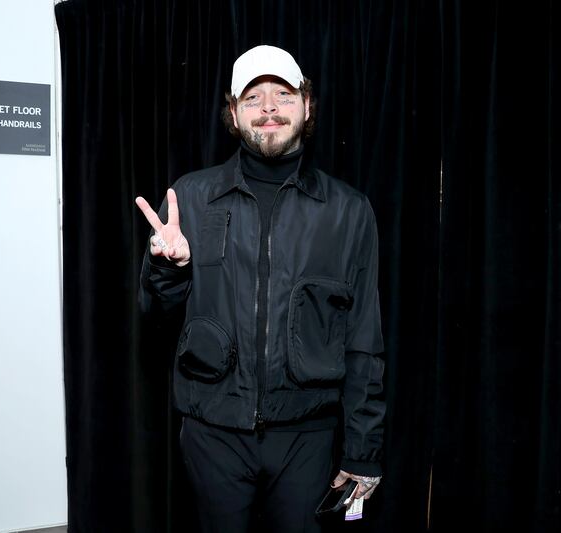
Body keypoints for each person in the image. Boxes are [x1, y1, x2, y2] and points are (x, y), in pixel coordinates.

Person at [136, 45, 385, 533]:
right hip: (213, 433)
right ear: (233, 113)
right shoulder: (190, 197)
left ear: (306, 106)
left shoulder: (348, 211)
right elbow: (156, 317)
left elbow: (363, 341)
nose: (269, 108)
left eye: (283, 94)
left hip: (307, 439)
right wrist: (168, 269)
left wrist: (364, 449)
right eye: (252, 97)